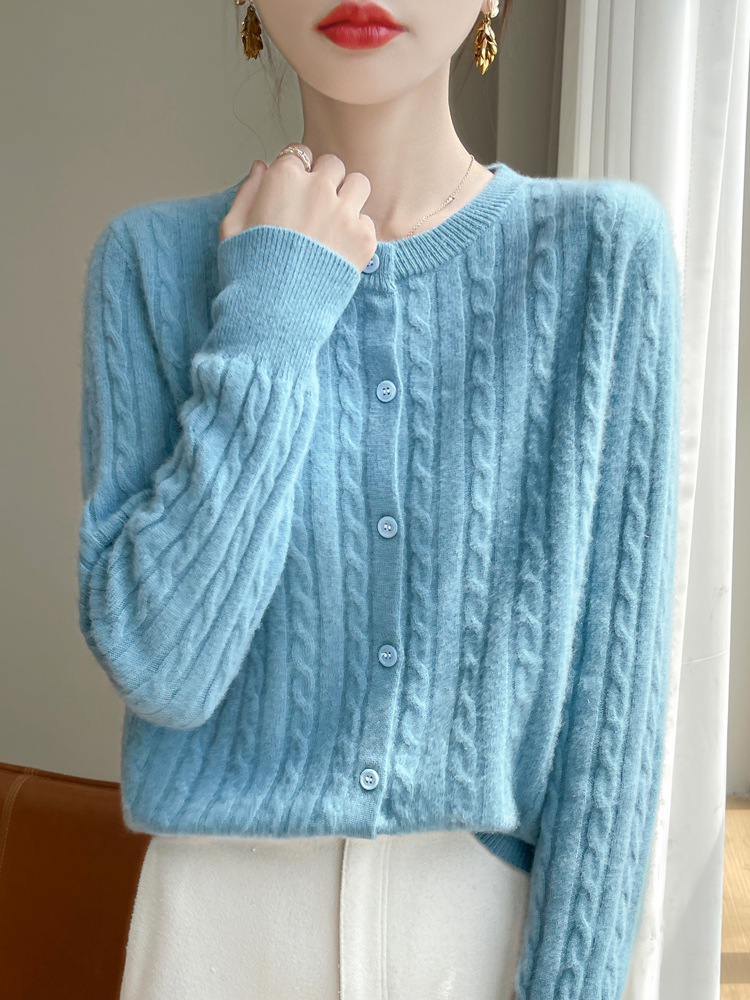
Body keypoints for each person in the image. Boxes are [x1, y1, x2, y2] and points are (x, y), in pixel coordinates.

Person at [77, 0, 682, 997]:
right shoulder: (148, 261)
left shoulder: (602, 254)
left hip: (481, 933)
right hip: (216, 938)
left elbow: (613, 720)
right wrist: (273, 311)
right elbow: (164, 667)